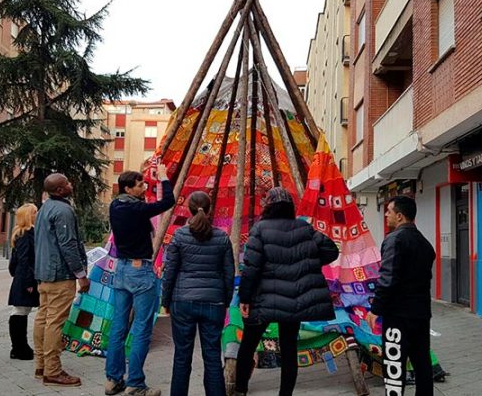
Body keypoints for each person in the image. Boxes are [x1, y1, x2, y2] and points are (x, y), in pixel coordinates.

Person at [234, 187, 339, 396]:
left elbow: (251, 267)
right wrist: (306, 262)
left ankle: (240, 389)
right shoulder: (304, 228)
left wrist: (244, 298)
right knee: (289, 348)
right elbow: (331, 250)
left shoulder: (260, 229)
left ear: (268, 206)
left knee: (248, 344)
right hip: (295, 299)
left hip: (263, 299)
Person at [105, 164, 175, 396]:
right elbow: (168, 202)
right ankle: (135, 382)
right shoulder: (137, 209)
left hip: (121, 269)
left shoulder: (115, 205)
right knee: (142, 327)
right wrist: (163, 178)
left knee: (118, 325)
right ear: (128, 188)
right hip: (140, 270)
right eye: (140, 185)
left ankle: (113, 379)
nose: (144, 187)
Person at [161, 191, 235, 396]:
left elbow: (170, 271)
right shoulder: (222, 238)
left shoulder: (179, 236)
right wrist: (225, 301)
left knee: (181, 357)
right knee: (212, 357)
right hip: (214, 303)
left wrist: (165, 301)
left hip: (182, 302)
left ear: (189, 209)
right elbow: (229, 274)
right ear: (209, 209)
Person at [366, 196, 435, 396]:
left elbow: (387, 278)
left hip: (398, 317)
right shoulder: (425, 243)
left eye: (389, 211)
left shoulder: (395, 239)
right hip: (421, 314)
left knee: (394, 367)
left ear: (400, 216)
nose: (386, 215)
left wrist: (375, 309)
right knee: (422, 364)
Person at [33, 173, 90, 387]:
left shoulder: (44, 208)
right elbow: (68, 245)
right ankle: (53, 371)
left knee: (43, 318)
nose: (70, 184)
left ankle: (41, 365)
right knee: (55, 322)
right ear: (59, 190)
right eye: (66, 183)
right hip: (60, 275)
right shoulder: (63, 210)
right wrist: (81, 275)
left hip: (44, 274)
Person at [8, 203, 39, 360]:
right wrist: (28, 282)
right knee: (20, 311)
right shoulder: (26, 234)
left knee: (22, 311)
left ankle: (20, 346)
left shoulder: (22, 233)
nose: (37, 214)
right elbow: (24, 259)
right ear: (28, 216)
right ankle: (19, 347)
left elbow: (14, 262)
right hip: (26, 279)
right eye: (34, 212)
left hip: (22, 277)